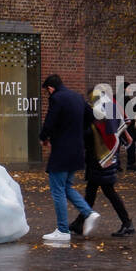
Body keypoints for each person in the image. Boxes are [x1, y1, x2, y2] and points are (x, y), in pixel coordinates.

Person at [38, 74, 99, 244]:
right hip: (77, 150)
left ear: (50, 88)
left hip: (61, 151)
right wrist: (77, 132)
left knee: (57, 190)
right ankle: (89, 213)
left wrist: (44, 137)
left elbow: (50, 120)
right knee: (66, 187)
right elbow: (92, 116)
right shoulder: (77, 97)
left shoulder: (57, 98)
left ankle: (63, 230)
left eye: (47, 91)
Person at [71, 88, 135, 238]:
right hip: (106, 157)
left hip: (100, 158)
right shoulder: (111, 108)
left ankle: (127, 223)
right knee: (93, 192)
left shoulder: (99, 113)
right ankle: (79, 222)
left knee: (106, 192)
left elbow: (91, 134)